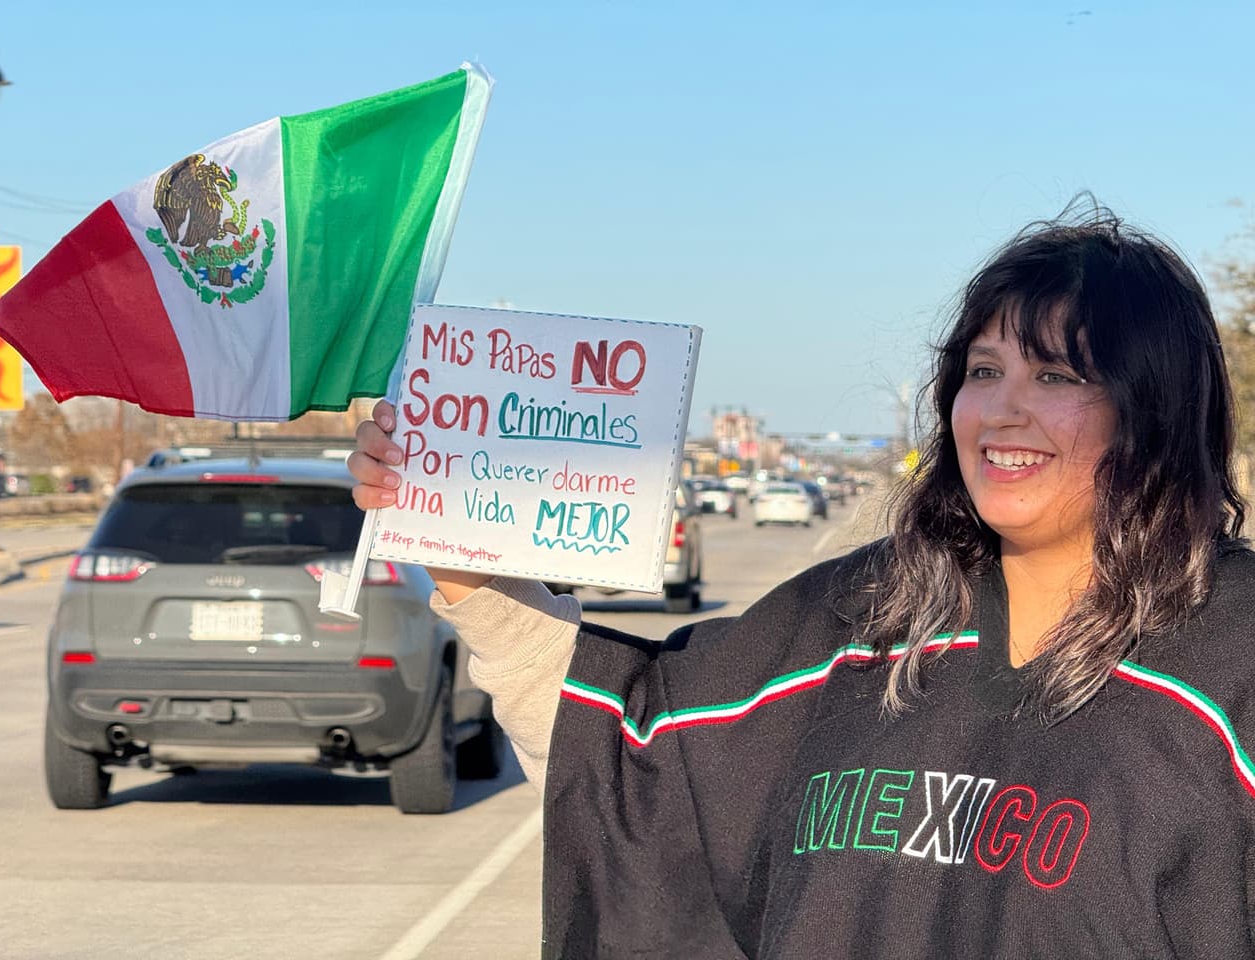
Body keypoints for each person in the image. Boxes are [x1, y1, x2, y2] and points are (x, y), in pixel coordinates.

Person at [349, 204, 1255, 958]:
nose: (1001, 409)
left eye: (1055, 374)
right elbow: (623, 750)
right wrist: (452, 543)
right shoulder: (860, 618)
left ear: (1153, 407)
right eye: (983, 371)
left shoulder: (1232, 657)